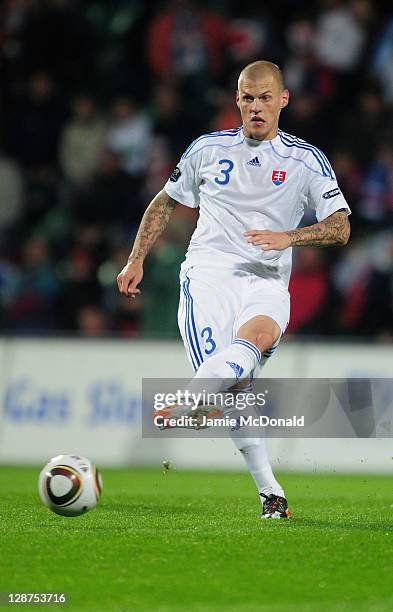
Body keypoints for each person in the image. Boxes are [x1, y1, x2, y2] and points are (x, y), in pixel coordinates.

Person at [117, 60, 351, 519]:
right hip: (208, 276)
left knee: (255, 341)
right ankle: (271, 493)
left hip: (266, 278)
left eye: (266, 97)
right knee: (236, 387)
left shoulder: (306, 160)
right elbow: (165, 202)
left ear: (284, 99)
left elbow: (341, 228)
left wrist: (291, 237)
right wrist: (136, 257)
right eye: (248, 97)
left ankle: (190, 398)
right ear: (237, 101)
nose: (256, 106)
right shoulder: (208, 149)